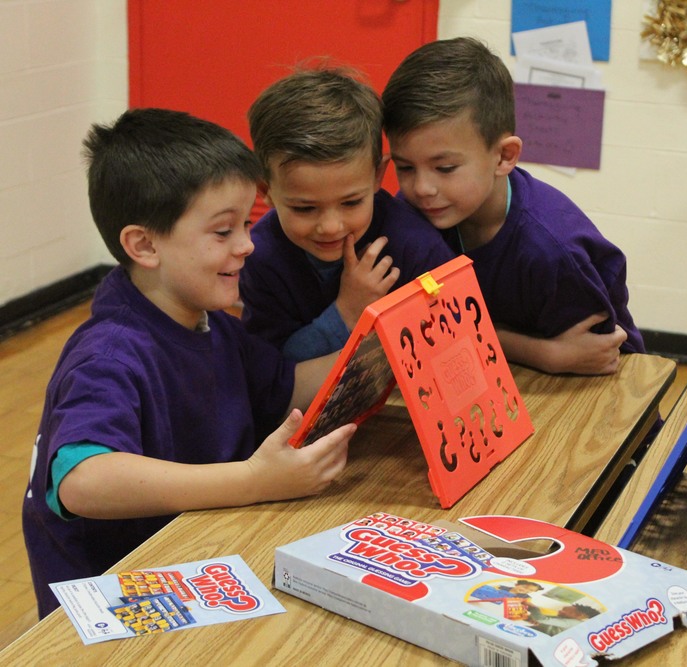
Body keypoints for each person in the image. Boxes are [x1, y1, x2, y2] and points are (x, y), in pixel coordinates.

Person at [22, 108, 356, 619]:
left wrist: (383, 353)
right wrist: (254, 481)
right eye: (223, 232)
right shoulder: (108, 354)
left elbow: (286, 386)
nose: (247, 245)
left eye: (247, 223)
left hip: (204, 562)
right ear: (145, 244)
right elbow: (81, 479)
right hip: (111, 612)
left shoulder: (211, 323)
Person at [381, 37, 643, 376]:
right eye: (405, 167)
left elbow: (599, 357)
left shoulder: (552, 251)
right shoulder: (412, 217)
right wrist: (542, 354)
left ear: (504, 156)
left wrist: (549, 357)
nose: (421, 188)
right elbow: (428, 328)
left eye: (445, 168)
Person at [240, 67, 455, 360]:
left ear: (378, 175)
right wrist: (347, 311)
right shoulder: (259, 256)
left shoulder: (414, 243)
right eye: (305, 208)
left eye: (351, 202)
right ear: (265, 189)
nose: (330, 227)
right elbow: (270, 369)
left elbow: (455, 337)